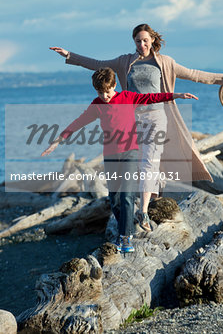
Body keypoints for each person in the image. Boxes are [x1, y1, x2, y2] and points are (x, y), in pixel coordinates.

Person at [50, 23, 223, 231]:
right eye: (138, 41)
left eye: (145, 40)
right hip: (132, 120)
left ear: (153, 40)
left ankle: (143, 212)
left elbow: (194, 74)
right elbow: (97, 64)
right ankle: (146, 199)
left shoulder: (166, 63)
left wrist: (222, 79)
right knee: (136, 166)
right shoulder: (124, 62)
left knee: (149, 162)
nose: (142, 44)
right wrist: (69, 55)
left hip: (157, 117)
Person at [41, 67, 198, 252]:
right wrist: (58, 140)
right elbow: (78, 122)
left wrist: (176, 95)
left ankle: (125, 238)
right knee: (114, 198)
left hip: (130, 152)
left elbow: (151, 98)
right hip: (111, 155)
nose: (105, 96)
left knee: (127, 196)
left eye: (107, 92)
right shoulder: (97, 105)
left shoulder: (127, 98)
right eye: (100, 93)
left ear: (114, 86)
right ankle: (128, 225)